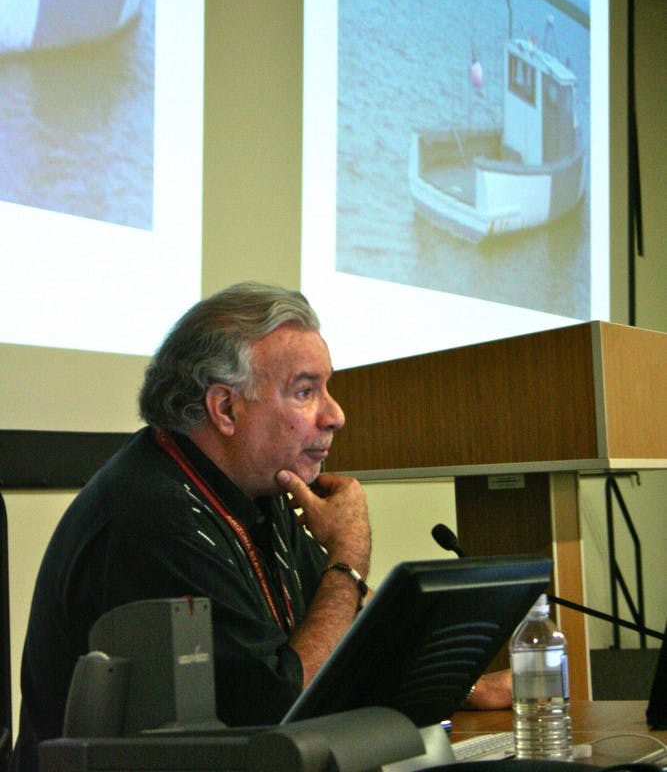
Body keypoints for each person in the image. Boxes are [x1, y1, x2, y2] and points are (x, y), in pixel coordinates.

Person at [10, 282, 509, 770]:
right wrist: (347, 559)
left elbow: (340, 637)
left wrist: (464, 686)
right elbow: (279, 715)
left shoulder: (259, 489)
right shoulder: (151, 518)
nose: (335, 414)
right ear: (225, 408)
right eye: (305, 391)